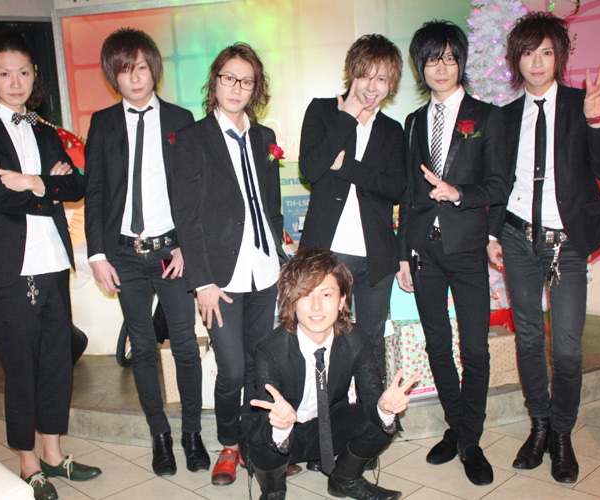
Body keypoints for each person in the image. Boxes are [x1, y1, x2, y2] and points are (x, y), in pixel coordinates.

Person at [0, 30, 101, 500]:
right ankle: (28, 462)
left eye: (23, 72)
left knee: (57, 363)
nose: (15, 82)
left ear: (35, 74)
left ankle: (54, 454)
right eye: (5, 73)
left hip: (53, 261)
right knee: (21, 369)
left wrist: (30, 181)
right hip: (6, 269)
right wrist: (46, 188)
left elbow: (76, 186)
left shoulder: (44, 129)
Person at [487, 12, 600, 484]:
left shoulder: (583, 105)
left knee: (565, 349)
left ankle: (562, 434)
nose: (537, 62)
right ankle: (539, 425)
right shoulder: (504, 118)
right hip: (517, 239)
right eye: (528, 53)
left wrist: (596, 121)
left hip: (567, 246)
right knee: (526, 338)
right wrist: (491, 235)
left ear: (559, 56)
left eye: (546, 52)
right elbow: (498, 183)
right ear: (515, 60)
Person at [83, 28, 208, 476]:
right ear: (112, 76)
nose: (134, 78)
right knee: (142, 347)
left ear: (153, 68)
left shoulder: (181, 119)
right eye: (123, 70)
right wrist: (97, 255)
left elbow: (194, 191)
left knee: (185, 347)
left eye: (140, 67)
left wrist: (188, 247)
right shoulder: (102, 123)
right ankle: (160, 437)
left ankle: (191, 433)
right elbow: (95, 192)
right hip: (123, 255)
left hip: (170, 253)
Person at [395, 20, 508, 486]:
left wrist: (458, 193)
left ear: (461, 62)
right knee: (437, 345)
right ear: (420, 66)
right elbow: (408, 191)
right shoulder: (413, 122)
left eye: (448, 58)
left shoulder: (487, 117)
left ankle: (471, 439)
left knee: (474, 347)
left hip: (466, 250)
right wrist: (404, 254)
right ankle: (457, 428)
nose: (440, 67)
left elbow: (499, 186)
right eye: (430, 59)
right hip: (424, 250)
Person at [170, 43, 285, 485]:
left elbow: (271, 205)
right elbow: (187, 217)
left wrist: (279, 255)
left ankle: (256, 444)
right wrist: (202, 282)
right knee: (232, 369)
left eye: (246, 81)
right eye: (228, 78)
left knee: (259, 367)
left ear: (256, 88)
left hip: (265, 270)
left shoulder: (265, 138)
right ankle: (229, 445)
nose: (236, 88)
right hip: (220, 276)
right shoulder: (193, 138)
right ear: (214, 82)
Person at [248, 247, 417, 500]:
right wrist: (281, 426)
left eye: (326, 294)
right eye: (305, 294)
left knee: (384, 418)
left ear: (341, 300)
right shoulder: (270, 350)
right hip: (288, 433)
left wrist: (384, 407)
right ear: (291, 301)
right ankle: (273, 490)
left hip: (328, 426)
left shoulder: (355, 339)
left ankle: (344, 479)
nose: (316, 306)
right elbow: (267, 419)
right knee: (265, 434)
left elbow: (371, 395)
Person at [298, 34, 407, 378]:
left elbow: (397, 188)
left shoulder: (393, 130)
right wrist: (345, 116)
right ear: (351, 74)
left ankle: (373, 408)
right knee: (324, 338)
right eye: (364, 76)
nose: (371, 87)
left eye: (381, 79)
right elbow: (310, 169)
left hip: (377, 256)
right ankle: (329, 407)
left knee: (372, 338)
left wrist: (347, 167)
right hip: (327, 252)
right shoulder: (322, 111)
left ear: (391, 85)